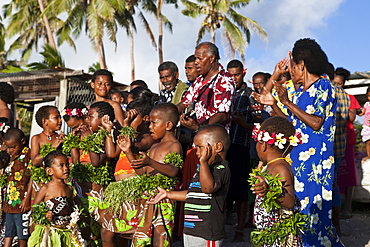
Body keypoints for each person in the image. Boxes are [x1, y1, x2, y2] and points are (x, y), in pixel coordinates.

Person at [253, 38, 342, 246]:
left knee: (314, 215)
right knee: (299, 212)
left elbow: (316, 122)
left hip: (315, 163)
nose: (290, 71)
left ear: (301, 65)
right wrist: (275, 105)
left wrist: (286, 102)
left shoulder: (323, 85)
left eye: (292, 66)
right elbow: (291, 125)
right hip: (298, 160)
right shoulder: (301, 93)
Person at [148, 124, 230, 247]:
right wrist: (168, 194)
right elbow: (193, 194)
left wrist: (203, 163)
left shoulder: (221, 169)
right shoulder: (202, 170)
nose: (197, 152)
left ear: (218, 147)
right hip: (191, 231)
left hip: (207, 233)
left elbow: (208, 189)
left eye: (200, 147)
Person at [250, 116, 302, 246]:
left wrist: (269, 189)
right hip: (269, 231)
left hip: (279, 234)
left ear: (263, 145)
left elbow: (290, 202)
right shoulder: (270, 165)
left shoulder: (280, 167)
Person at [28, 150, 86, 247]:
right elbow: (35, 209)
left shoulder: (69, 188)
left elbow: (71, 206)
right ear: (49, 171)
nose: (66, 168)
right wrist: (45, 214)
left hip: (67, 231)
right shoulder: (45, 188)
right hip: (50, 231)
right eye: (61, 165)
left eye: (67, 164)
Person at [224, 59, 253, 242]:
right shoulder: (222, 92)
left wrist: (243, 124)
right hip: (223, 148)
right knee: (223, 187)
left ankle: (240, 229)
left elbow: (259, 124)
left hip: (242, 146)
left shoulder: (251, 95)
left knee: (242, 192)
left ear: (244, 72)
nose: (233, 78)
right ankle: (223, 221)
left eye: (236, 74)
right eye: (230, 74)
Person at [177, 42, 235, 132]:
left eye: (200, 58)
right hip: (198, 137)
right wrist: (167, 116)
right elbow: (184, 103)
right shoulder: (199, 80)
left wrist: (198, 127)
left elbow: (222, 115)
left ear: (212, 58)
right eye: (196, 58)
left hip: (214, 138)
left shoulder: (224, 80)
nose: (196, 62)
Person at [335, 67, 361, 219]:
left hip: (347, 139)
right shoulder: (327, 96)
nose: (337, 86)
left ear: (344, 84)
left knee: (348, 173)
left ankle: (348, 206)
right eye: (335, 83)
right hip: (332, 140)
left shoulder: (349, 98)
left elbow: (351, 118)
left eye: (340, 84)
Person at [329, 64, 350, 236]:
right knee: (333, 184)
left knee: (326, 185)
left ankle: (330, 223)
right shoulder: (346, 96)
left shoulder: (329, 93)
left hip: (327, 147)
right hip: (339, 146)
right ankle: (336, 224)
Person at [2, 128, 32, 247]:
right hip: (9, 204)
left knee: (22, 235)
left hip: (22, 204)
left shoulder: (28, 155)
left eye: (12, 147)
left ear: (23, 141)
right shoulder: (11, 156)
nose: (10, 151)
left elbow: (32, 178)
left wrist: (26, 199)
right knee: (8, 233)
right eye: (8, 147)